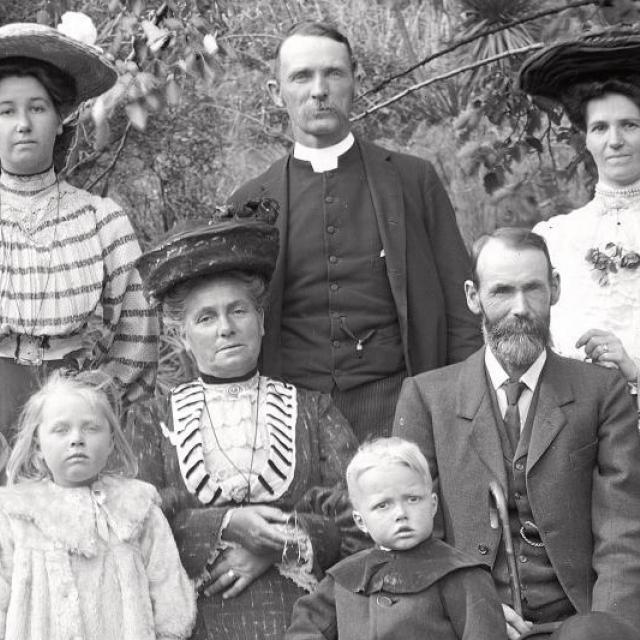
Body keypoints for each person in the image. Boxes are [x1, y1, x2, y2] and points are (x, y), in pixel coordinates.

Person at [229, 21, 481, 441]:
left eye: (333, 73)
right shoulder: (248, 201)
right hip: (290, 416)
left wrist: (462, 413)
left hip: (402, 404)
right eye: (302, 76)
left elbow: (462, 310)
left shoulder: (413, 180)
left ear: (356, 81)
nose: (319, 90)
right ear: (276, 93)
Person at [131, 198, 363, 640]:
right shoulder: (149, 421)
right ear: (183, 336)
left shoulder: (314, 411)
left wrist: (278, 546)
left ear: (260, 319)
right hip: (194, 623)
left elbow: (361, 514)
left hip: (305, 619)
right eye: (205, 318)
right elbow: (136, 523)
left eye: (238, 310)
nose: (225, 327)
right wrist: (224, 525)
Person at [393, 228, 640, 640]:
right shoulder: (427, 398)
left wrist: (608, 626)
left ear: (555, 288)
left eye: (533, 289)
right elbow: (415, 535)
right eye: (502, 291)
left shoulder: (601, 392)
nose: (520, 308)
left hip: (578, 622)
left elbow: (623, 529)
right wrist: (469, 610)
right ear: (473, 296)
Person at [0, 23, 158, 444]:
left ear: (60, 118)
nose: (22, 124)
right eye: (6, 111)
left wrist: (95, 408)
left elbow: (136, 329)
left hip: (75, 416)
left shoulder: (101, 220)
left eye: (37, 108)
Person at [0, 371, 196, 640]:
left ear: (111, 442)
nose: (77, 438)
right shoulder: (15, 513)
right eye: (61, 429)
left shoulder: (137, 507)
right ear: (37, 446)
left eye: (91, 428)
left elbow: (169, 592)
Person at [285, 437, 507, 640]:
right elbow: (305, 630)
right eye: (383, 505)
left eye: (412, 499)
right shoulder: (344, 579)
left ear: (433, 505)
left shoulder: (461, 575)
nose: (401, 513)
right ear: (360, 520)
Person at [518, 31, 640, 394]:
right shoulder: (556, 238)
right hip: (578, 428)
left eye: (630, 125)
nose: (615, 140)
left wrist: (632, 368)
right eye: (600, 127)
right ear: (585, 138)